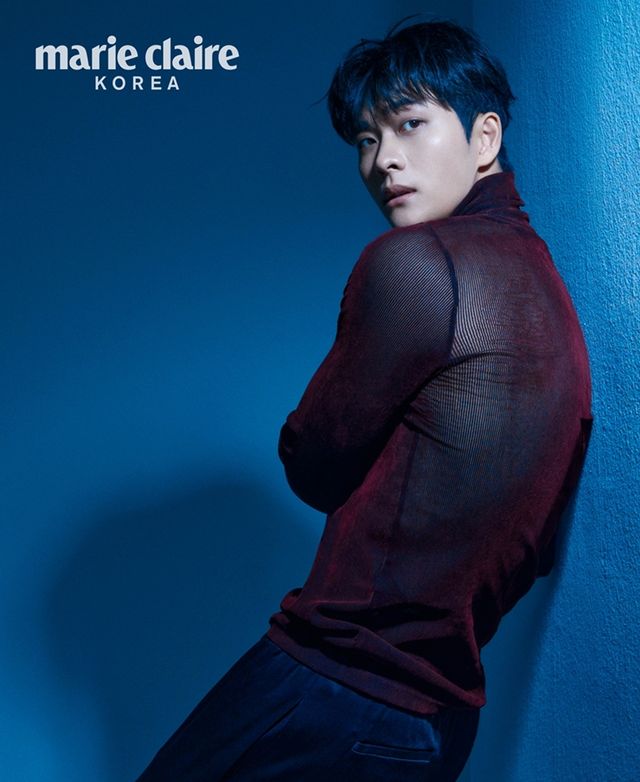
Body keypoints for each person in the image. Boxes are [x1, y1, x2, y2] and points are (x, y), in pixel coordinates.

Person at [136, 18, 593, 782]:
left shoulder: (417, 264)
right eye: (365, 140)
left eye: (409, 124)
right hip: (438, 725)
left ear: (484, 138)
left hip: (335, 688)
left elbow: (313, 465)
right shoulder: (545, 291)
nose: (383, 161)